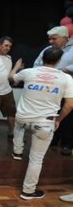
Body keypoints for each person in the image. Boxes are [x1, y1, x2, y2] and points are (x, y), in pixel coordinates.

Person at [9, 47, 73, 200]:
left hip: (23, 118)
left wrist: (16, 67)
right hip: (44, 123)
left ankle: (17, 151)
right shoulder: (66, 78)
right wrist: (58, 120)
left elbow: (11, 78)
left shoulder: (29, 72)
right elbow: (70, 105)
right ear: (58, 61)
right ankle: (28, 191)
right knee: (36, 159)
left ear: (42, 58)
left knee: (19, 124)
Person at [33, 26, 73, 156]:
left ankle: (68, 144)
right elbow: (37, 64)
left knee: (68, 117)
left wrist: (65, 69)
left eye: (54, 38)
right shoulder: (47, 50)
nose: (50, 41)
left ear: (64, 38)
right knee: (51, 114)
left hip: (68, 88)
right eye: (49, 39)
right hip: (49, 90)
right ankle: (53, 140)